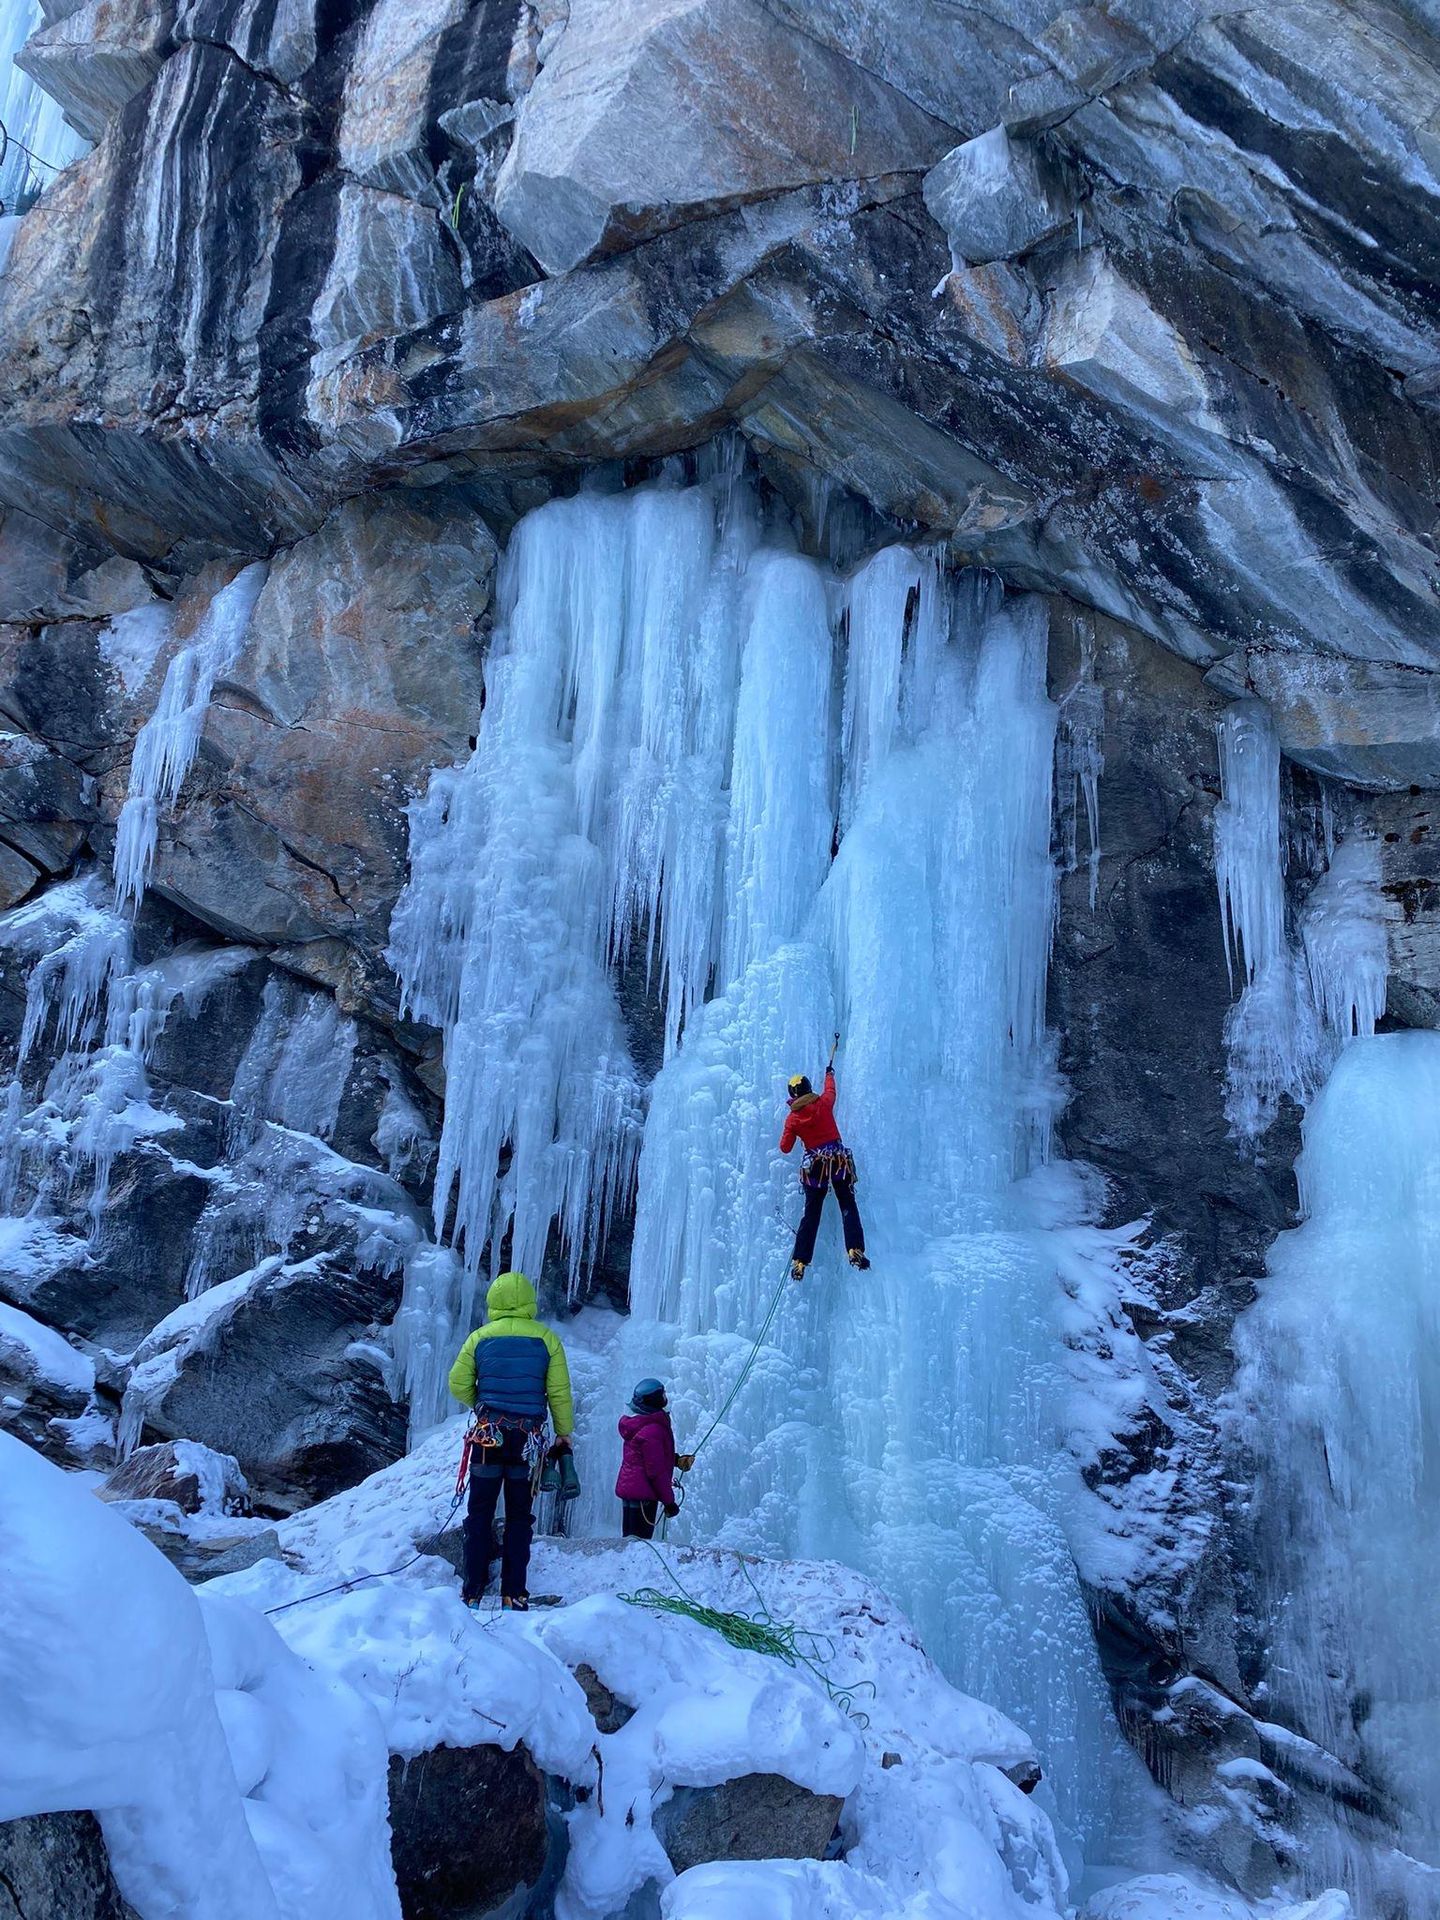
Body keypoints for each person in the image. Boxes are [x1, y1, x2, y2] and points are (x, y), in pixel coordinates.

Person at [448, 1270, 574, 1612]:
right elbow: (559, 1393)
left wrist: (481, 1405)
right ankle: (514, 1593)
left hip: (488, 1437)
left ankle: (472, 1591)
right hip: (527, 1443)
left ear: (494, 1301)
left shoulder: (479, 1338)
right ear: (529, 1301)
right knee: (520, 1517)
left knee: (479, 1513)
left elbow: (457, 1382)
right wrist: (563, 1432)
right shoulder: (547, 1339)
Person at [780, 1036, 870, 1282]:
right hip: (838, 1161)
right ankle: (855, 1249)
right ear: (809, 1088)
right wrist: (829, 1073)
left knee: (811, 1214)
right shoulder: (823, 1103)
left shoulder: (793, 1119)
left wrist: (794, 1131)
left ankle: (800, 1261)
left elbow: (785, 1148)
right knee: (847, 1204)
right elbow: (831, 1090)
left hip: (815, 1168)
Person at [615, 1378, 693, 1539]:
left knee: (630, 1540)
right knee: (639, 1542)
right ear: (655, 1400)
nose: (665, 1397)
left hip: (632, 1491)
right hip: (643, 1495)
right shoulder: (653, 1430)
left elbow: (647, 1458)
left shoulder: (639, 1423)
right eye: (662, 1395)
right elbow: (656, 1473)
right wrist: (669, 1502)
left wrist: (676, 1460)